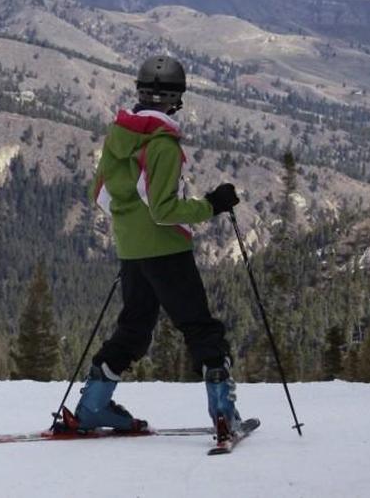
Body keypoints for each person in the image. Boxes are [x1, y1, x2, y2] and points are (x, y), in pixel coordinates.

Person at [66, 54, 242, 439]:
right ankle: (224, 412)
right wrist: (213, 204)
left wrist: (131, 224)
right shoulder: (162, 145)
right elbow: (164, 211)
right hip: (166, 249)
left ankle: (92, 407)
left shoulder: (119, 135)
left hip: (131, 248)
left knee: (133, 328)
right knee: (198, 326)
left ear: (140, 91)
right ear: (177, 98)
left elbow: (100, 194)